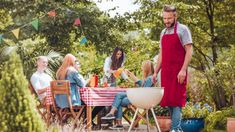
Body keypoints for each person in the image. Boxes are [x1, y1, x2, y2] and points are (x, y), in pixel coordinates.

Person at [152, 5, 193, 132]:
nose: (166, 21)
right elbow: (162, 54)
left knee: (177, 101)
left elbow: (189, 50)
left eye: (169, 18)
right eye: (164, 18)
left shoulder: (183, 30)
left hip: (178, 72)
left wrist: (183, 70)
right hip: (166, 73)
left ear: (176, 16)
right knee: (168, 101)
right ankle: (177, 129)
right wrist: (155, 72)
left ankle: (175, 129)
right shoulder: (163, 32)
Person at [102, 60, 155, 129]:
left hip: (140, 99)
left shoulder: (149, 79)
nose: (141, 68)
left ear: (146, 68)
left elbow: (143, 91)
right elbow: (141, 84)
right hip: (139, 97)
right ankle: (116, 120)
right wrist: (130, 75)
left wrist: (133, 91)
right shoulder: (149, 78)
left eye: (143, 67)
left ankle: (114, 117)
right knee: (119, 97)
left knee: (119, 98)